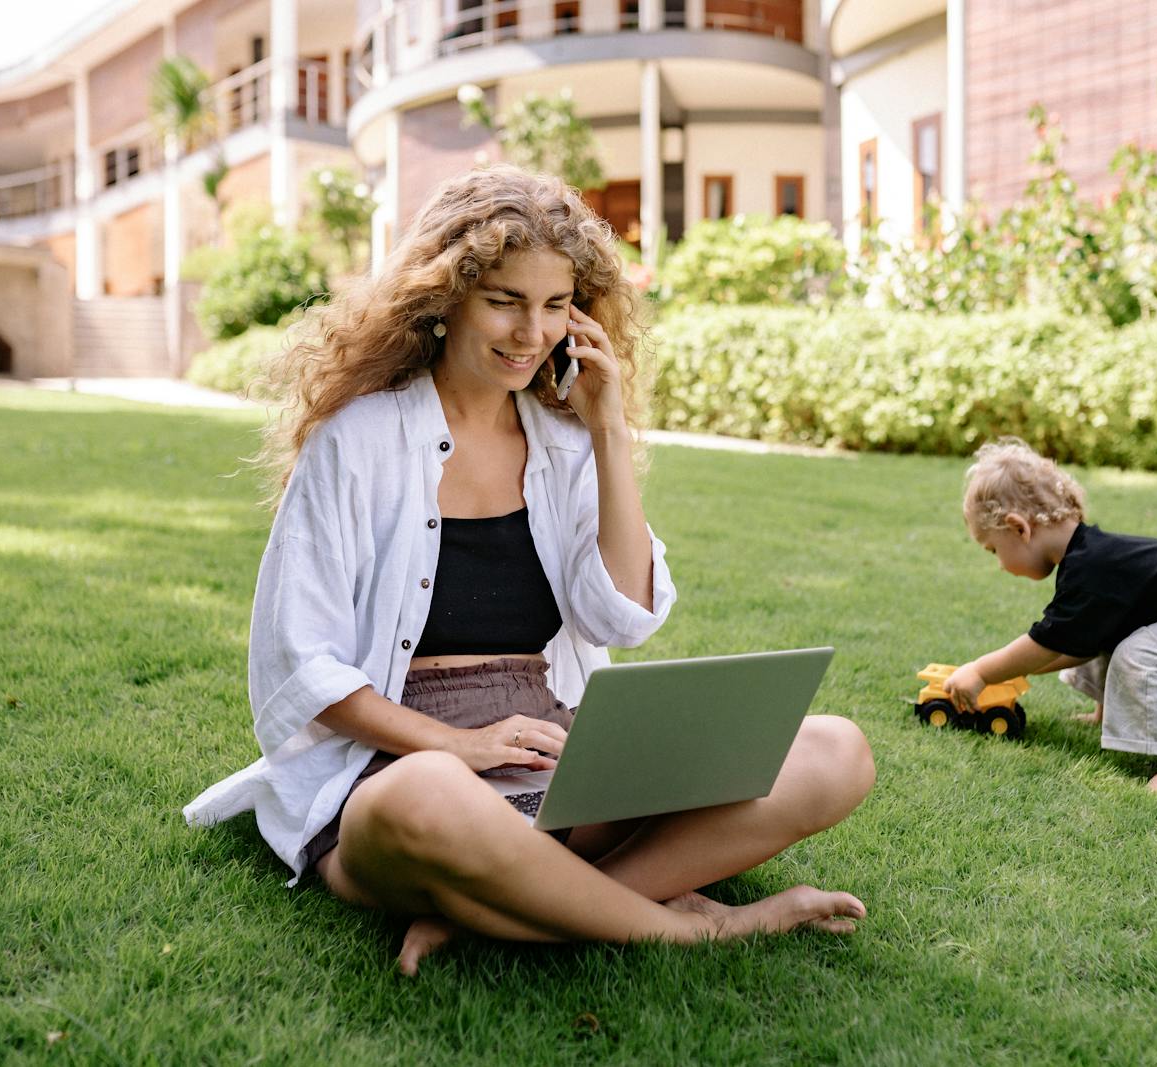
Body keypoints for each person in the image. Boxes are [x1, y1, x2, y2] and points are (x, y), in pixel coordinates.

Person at [183, 165, 875, 974]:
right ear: (447, 298)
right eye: (505, 301)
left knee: (835, 752)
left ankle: (517, 906)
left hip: (554, 754)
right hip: (400, 766)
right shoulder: (357, 439)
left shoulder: (564, 441)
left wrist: (609, 432)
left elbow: (623, 616)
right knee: (429, 796)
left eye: (555, 306)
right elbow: (302, 669)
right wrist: (459, 745)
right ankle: (691, 924)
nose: (530, 333)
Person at [944, 438, 1157, 791]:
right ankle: (1107, 712)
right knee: (1104, 633)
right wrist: (1004, 672)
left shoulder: (1091, 566)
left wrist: (981, 671)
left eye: (994, 550)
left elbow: (1048, 643)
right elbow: (1075, 644)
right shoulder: (1085, 562)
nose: (1000, 565)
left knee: (1138, 653)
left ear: (1019, 527)